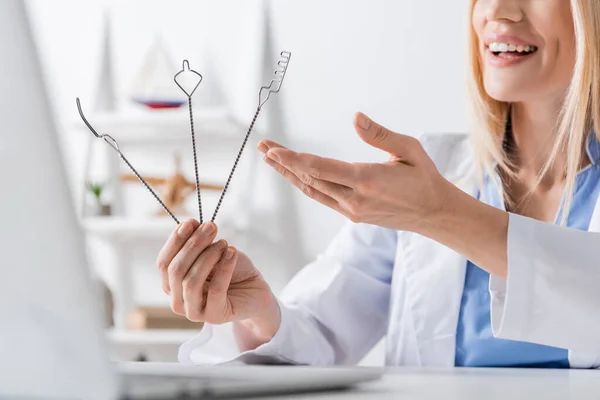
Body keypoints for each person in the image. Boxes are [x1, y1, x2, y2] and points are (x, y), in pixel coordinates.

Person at [157, 0, 600, 368]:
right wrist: (255, 314)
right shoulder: (434, 170)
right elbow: (319, 335)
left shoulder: (429, 196)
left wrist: (443, 216)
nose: (499, 12)